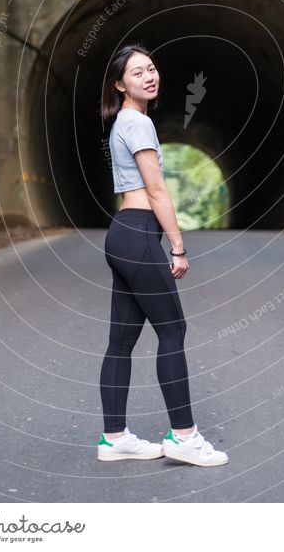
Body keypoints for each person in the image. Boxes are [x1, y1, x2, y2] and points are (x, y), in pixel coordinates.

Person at [97, 42, 228, 467]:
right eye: (137, 73)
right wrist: (177, 245)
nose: (148, 76)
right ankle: (184, 436)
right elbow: (156, 190)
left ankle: (114, 437)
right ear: (120, 85)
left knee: (122, 341)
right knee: (173, 330)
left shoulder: (124, 122)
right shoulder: (138, 123)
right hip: (138, 236)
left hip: (123, 236)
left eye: (151, 68)